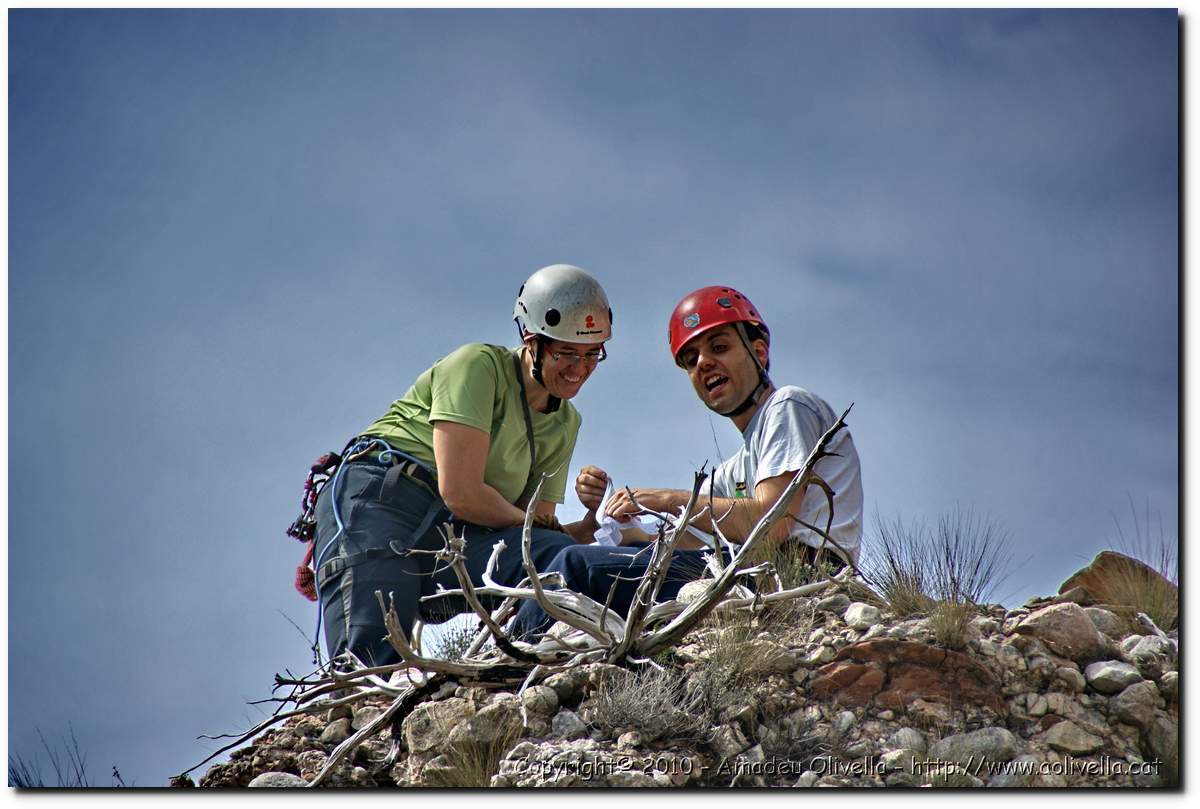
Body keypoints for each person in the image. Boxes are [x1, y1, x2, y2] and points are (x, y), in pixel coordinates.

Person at [510, 285, 863, 638]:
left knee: (574, 566)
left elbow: (772, 522)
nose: (703, 363)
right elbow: (684, 540)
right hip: (753, 573)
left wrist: (664, 499)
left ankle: (506, 662)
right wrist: (613, 520)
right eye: (690, 359)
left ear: (759, 351)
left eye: (719, 347)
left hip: (797, 575)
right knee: (594, 561)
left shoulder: (789, 406)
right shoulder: (735, 470)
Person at [312, 264, 612, 666]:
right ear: (531, 339)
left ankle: (517, 661)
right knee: (372, 662)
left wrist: (589, 526)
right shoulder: (478, 365)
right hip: (384, 498)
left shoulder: (564, 422)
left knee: (551, 558)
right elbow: (464, 494)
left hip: (455, 532)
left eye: (593, 354)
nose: (580, 368)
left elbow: (531, 535)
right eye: (566, 353)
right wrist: (542, 527)